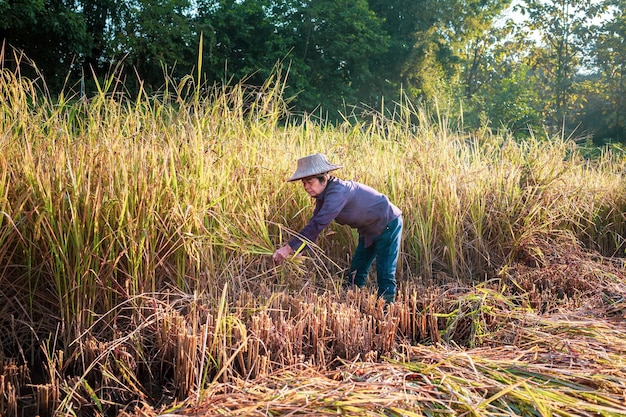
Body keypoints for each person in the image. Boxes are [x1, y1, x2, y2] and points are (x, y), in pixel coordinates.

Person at [272, 153, 403, 303]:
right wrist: (299, 249)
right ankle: (352, 303)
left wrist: (287, 248)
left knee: (385, 272)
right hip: (368, 229)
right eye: (304, 183)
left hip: (388, 223)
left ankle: (387, 311)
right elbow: (314, 224)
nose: (306, 187)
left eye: (310, 181)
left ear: (324, 178)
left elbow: (318, 224)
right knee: (357, 269)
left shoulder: (338, 192)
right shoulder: (324, 196)